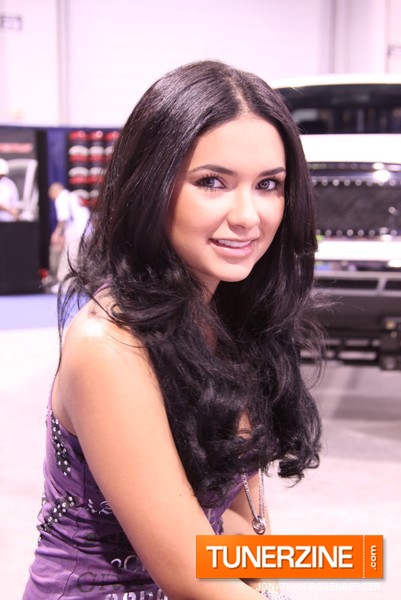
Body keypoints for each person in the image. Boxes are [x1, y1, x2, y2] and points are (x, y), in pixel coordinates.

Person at [23, 60, 322, 600]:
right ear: (151, 186)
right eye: (212, 182)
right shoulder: (110, 345)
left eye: (269, 185)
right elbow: (191, 573)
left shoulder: (228, 318)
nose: (248, 216)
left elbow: (241, 527)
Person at [47, 182, 90, 290]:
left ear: (54, 192)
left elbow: (63, 218)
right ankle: (83, 284)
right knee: (82, 259)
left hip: (76, 231)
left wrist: (57, 233)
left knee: (68, 258)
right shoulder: (72, 196)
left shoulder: (61, 197)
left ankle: (65, 285)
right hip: (87, 230)